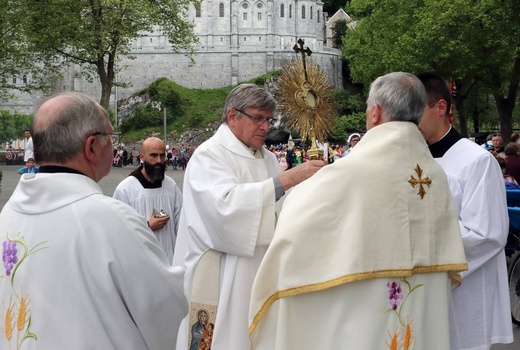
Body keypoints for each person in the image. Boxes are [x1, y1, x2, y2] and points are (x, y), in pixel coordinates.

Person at [248, 72, 467, 349]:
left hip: (362, 317)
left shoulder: (344, 175)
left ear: (375, 113)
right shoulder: (435, 175)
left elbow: (292, 234)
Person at [0, 92, 188, 349]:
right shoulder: (113, 221)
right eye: (110, 138)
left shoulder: (8, 215)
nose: (112, 144)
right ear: (91, 148)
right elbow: (166, 311)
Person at [172, 84, 326, 350]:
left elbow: (281, 211)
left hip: (261, 271)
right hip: (222, 276)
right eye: (258, 118)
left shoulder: (266, 158)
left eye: (269, 119)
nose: (266, 127)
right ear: (233, 116)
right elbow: (224, 210)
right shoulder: (209, 156)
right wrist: (288, 179)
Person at [417, 72, 513, 349]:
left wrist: (420, 230)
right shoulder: (415, 157)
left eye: (415, 110)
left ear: (441, 108)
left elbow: (487, 234)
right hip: (424, 288)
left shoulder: (476, 161)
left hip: (463, 289)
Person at [113, 137, 183, 264]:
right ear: (142, 157)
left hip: (170, 261)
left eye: (162, 156)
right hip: (141, 265)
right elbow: (118, 233)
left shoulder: (171, 186)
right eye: (153, 155)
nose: (159, 161)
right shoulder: (126, 190)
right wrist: (147, 226)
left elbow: (182, 223)